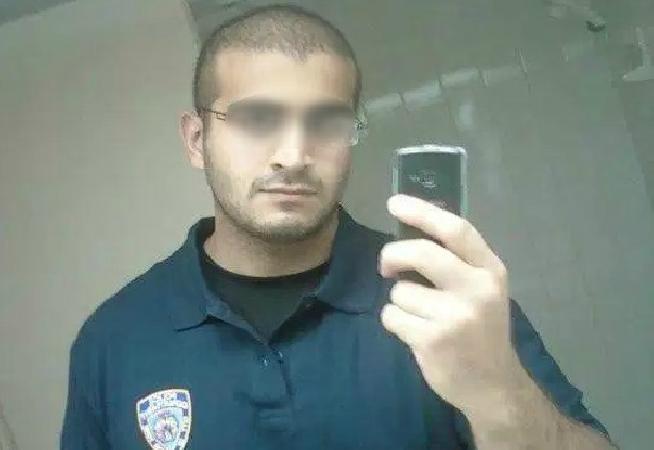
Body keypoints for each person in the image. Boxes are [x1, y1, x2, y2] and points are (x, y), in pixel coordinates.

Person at [61, 4, 616, 449]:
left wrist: (499, 393)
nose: (293, 154)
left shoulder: (444, 296)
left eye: (327, 121)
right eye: (256, 118)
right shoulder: (113, 340)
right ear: (196, 140)